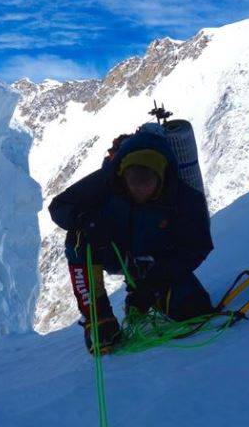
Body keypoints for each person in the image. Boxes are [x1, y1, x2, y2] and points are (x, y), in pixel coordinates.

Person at [49, 127, 214, 354]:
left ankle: (142, 298)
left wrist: (153, 284)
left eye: (145, 182)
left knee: (194, 310)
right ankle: (98, 317)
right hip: (110, 247)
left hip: (154, 260)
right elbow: (59, 206)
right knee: (78, 237)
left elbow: (197, 246)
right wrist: (86, 221)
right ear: (123, 174)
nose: (138, 188)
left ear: (161, 176)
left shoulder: (183, 197)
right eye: (133, 180)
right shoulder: (108, 180)